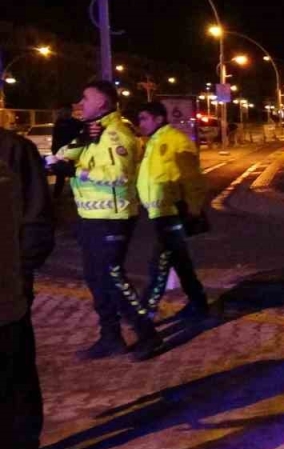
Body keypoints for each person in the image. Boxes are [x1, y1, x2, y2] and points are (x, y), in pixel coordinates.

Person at [49, 80, 160, 361]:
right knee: (97, 279)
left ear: (102, 103)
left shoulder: (117, 134)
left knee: (114, 279)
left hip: (112, 218)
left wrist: (75, 171)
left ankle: (147, 333)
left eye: (85, 99)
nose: (80, 104)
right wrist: (82, 139)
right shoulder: (94, 132)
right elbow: (59, 157)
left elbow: (118, 176)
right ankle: (110, 337)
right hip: (90, 217)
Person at [0, 125, 55, 449]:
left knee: (16, 382)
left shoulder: (13, 152)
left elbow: (36, 224)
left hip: (6, 305)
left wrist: (18, 277)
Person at [135, 102, 209, 321]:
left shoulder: (177, 141)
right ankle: (199, 303)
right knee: (180, 262)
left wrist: (193, 210)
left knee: (159, 264)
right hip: (159, 212)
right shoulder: (152, 142)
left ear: (159, 119)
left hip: (174, 211)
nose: (141, 124)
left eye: (144, 118)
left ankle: (145, 311)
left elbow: (193, 180)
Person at [51, 105, 83, 198]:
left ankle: (66, 194)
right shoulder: (62, 123)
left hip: (71, 150)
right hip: (66, 151)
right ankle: (59, 195)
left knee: (69, 174)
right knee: (63, 175)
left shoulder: (63, 123)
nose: (66, 113)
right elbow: (56, 139)